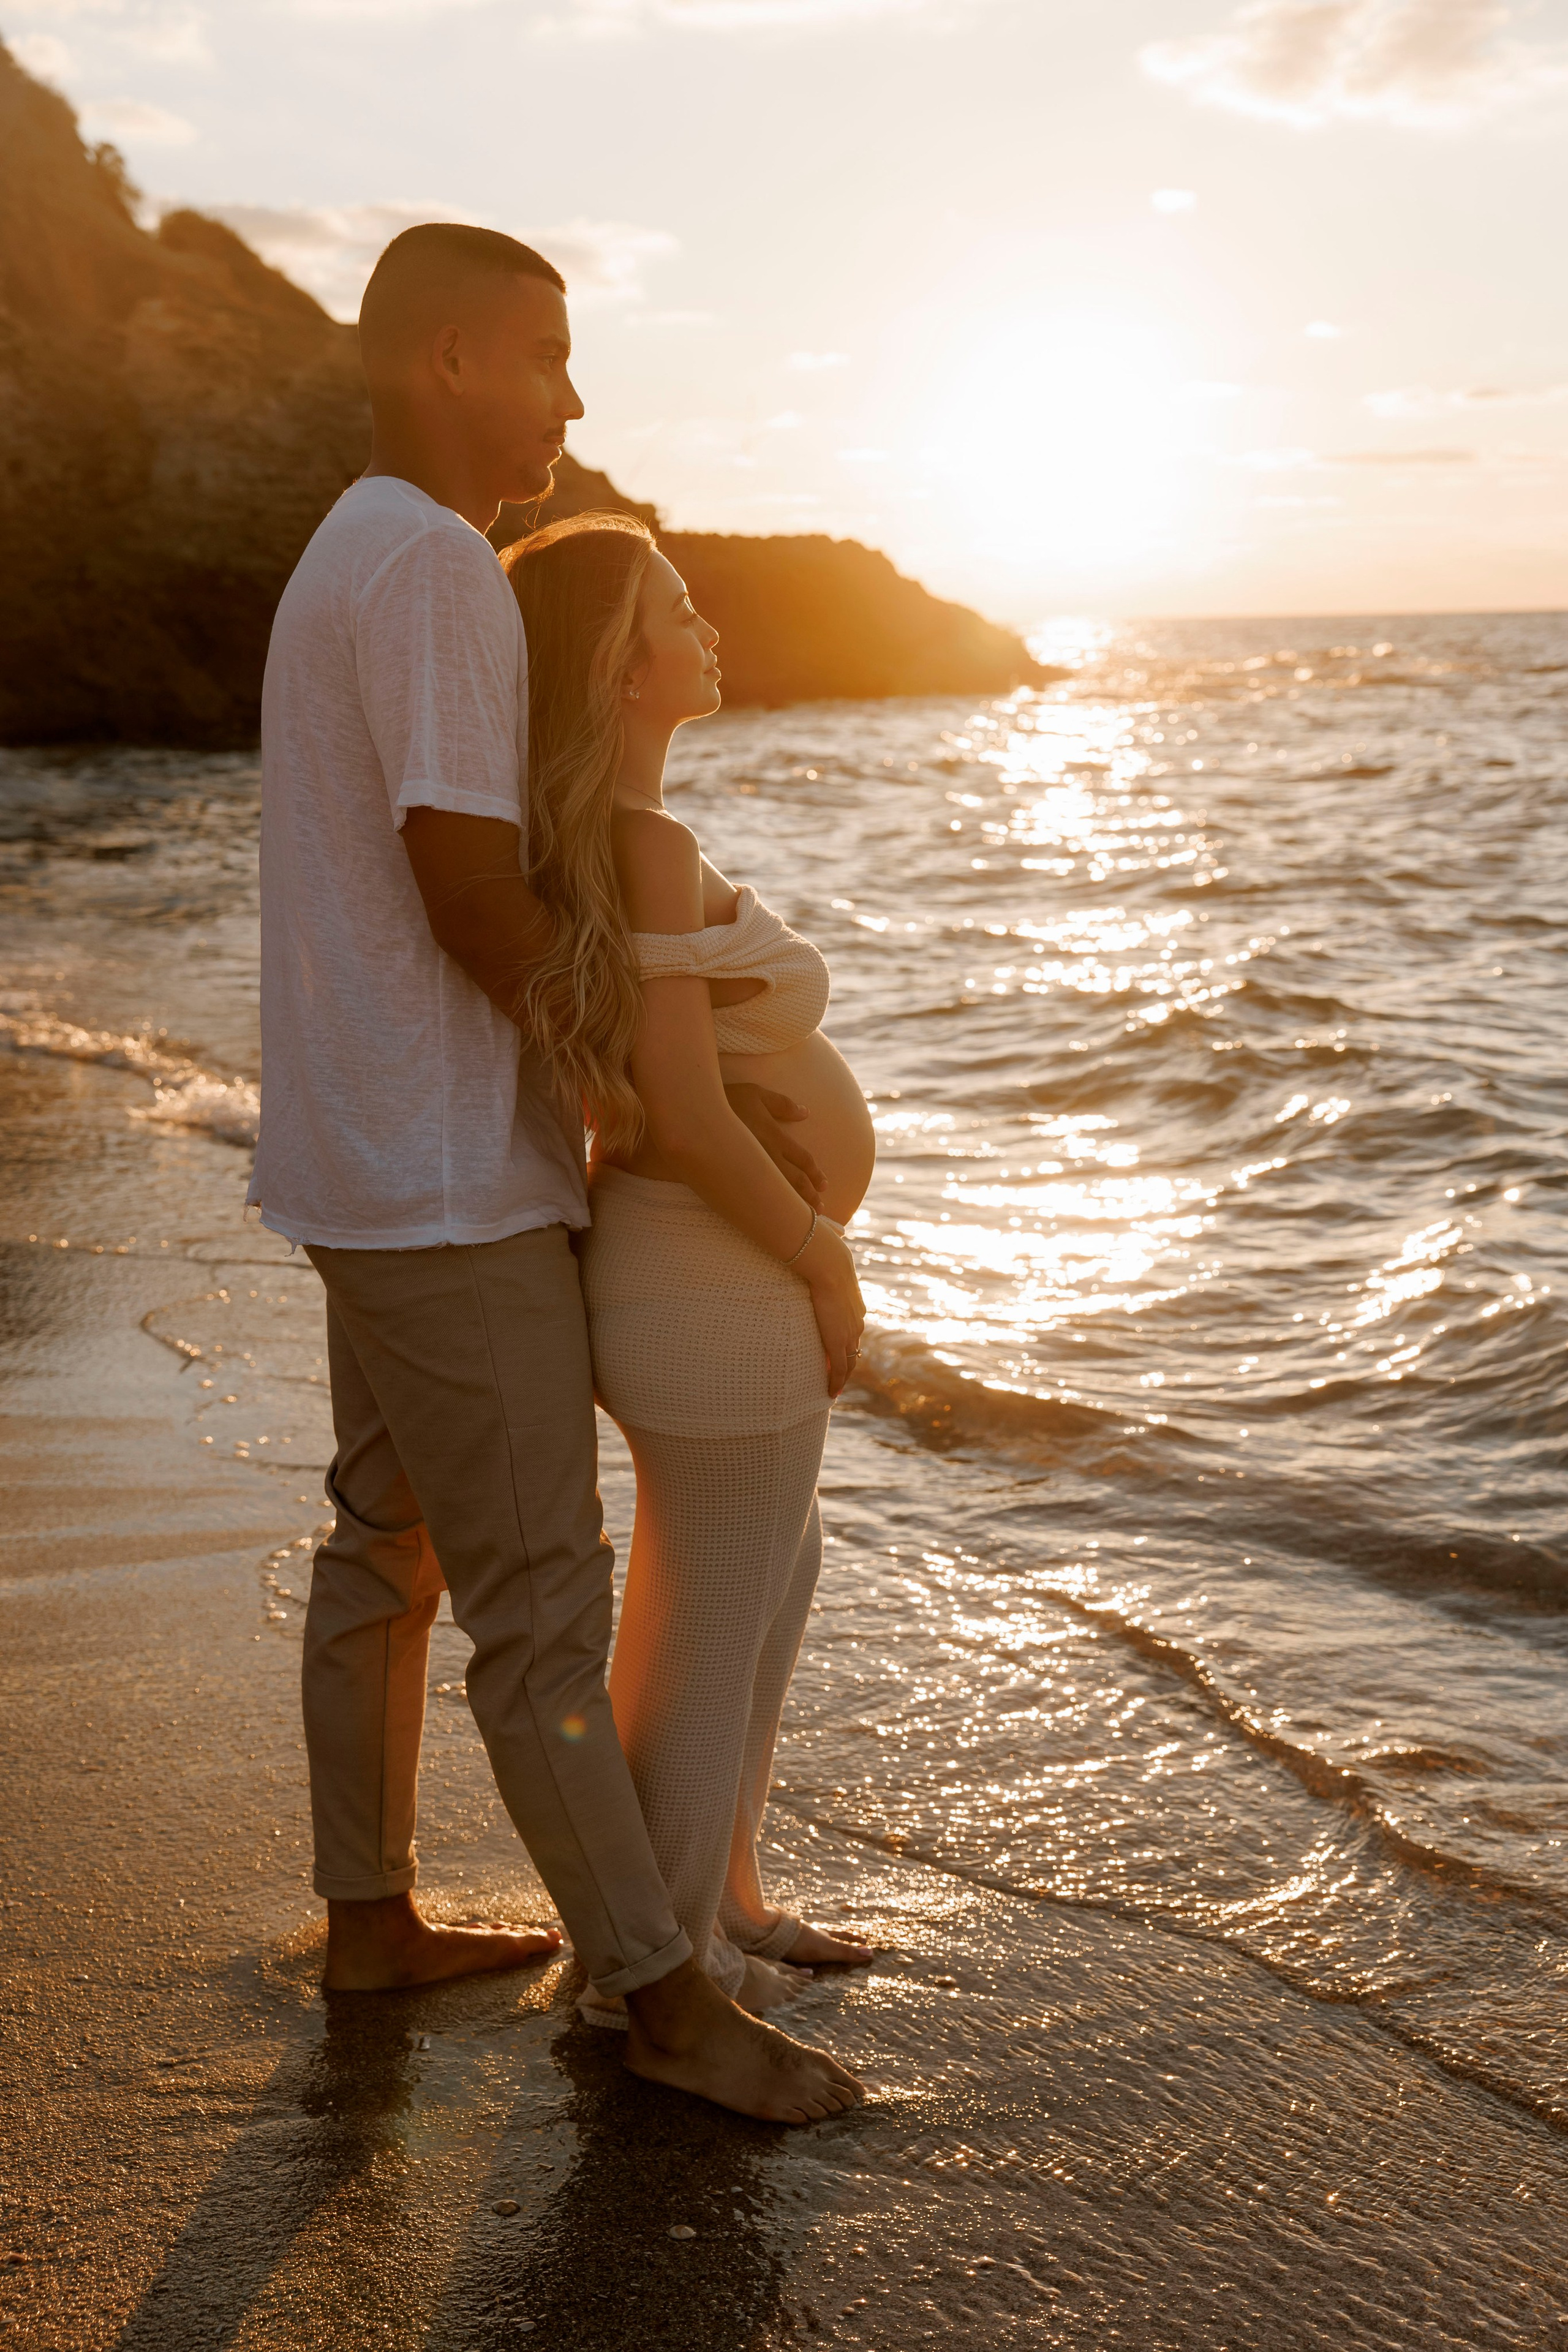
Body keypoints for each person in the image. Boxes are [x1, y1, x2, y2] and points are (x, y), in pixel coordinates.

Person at [247, 220, 862, 2125]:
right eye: (546, 357)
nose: (574, 399)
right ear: (447, 358)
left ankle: (368, 1917)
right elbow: (463, 875)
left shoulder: (348, 548)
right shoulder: (434, 565)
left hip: (364, 1157)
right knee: (538, 1611)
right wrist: (611, 1066)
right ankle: (668, 2003)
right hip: (447, 1180)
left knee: (385, 1552)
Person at [502, 511, 876, 2024]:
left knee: (759, 1583)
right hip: (713, 1287)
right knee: (714, 1619)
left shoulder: (628, 838)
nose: (704, 623)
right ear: (616, 661)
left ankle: (721, 1906)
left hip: (700, 1285)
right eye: (674, 605)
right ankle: (658, 1987)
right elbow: (672, 1111)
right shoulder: (641, 846)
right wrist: (821, 1255)